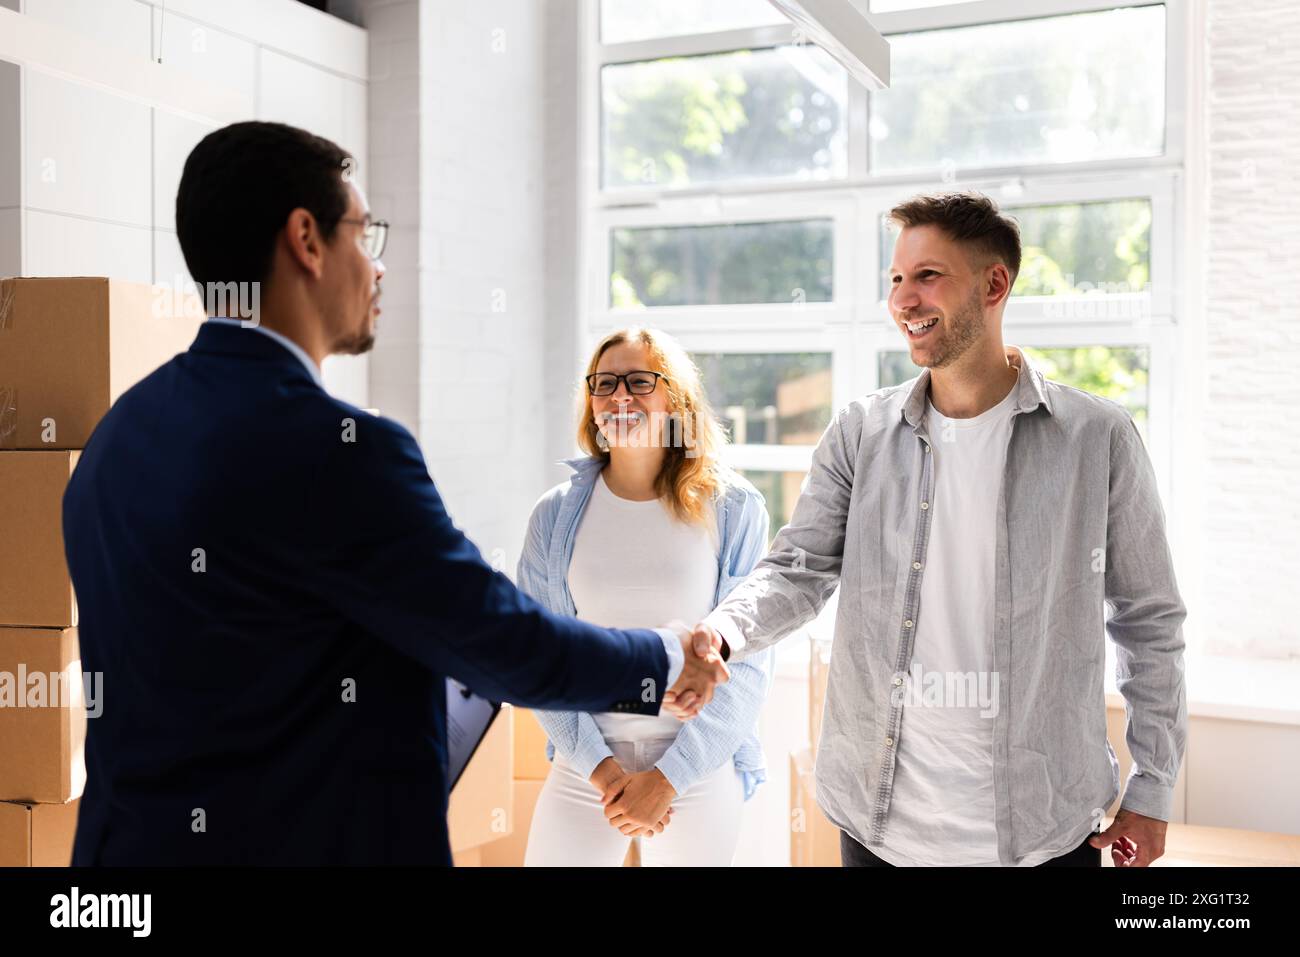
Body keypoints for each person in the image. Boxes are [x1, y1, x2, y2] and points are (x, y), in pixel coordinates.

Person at [60, 121, 727, 866]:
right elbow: (502, 641)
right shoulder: (341, 450)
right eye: (364, 234)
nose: (377, 269)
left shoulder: (116, 437)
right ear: (306, 240)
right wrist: (667, 659)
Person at [686, 191, 1188, 868]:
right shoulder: (860, 434)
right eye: (896, 279)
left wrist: (1152, 788)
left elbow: (1149, 621)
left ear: (994, 284)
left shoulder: (1097, 438)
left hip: (1044, 831)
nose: (903, 300)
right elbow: (797, 569)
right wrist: (725, 630)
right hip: (879, 825)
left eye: (927, 276)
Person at [518, 328, 774, 867]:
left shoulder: (734, 508)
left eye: (639, 381)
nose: (620, 397)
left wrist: (666, 779)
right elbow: (539, 656)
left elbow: (748, 664)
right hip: (584, 764)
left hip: (696, 770)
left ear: (675, 399)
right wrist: (605, 773)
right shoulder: (554, 515)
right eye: (605, 383)